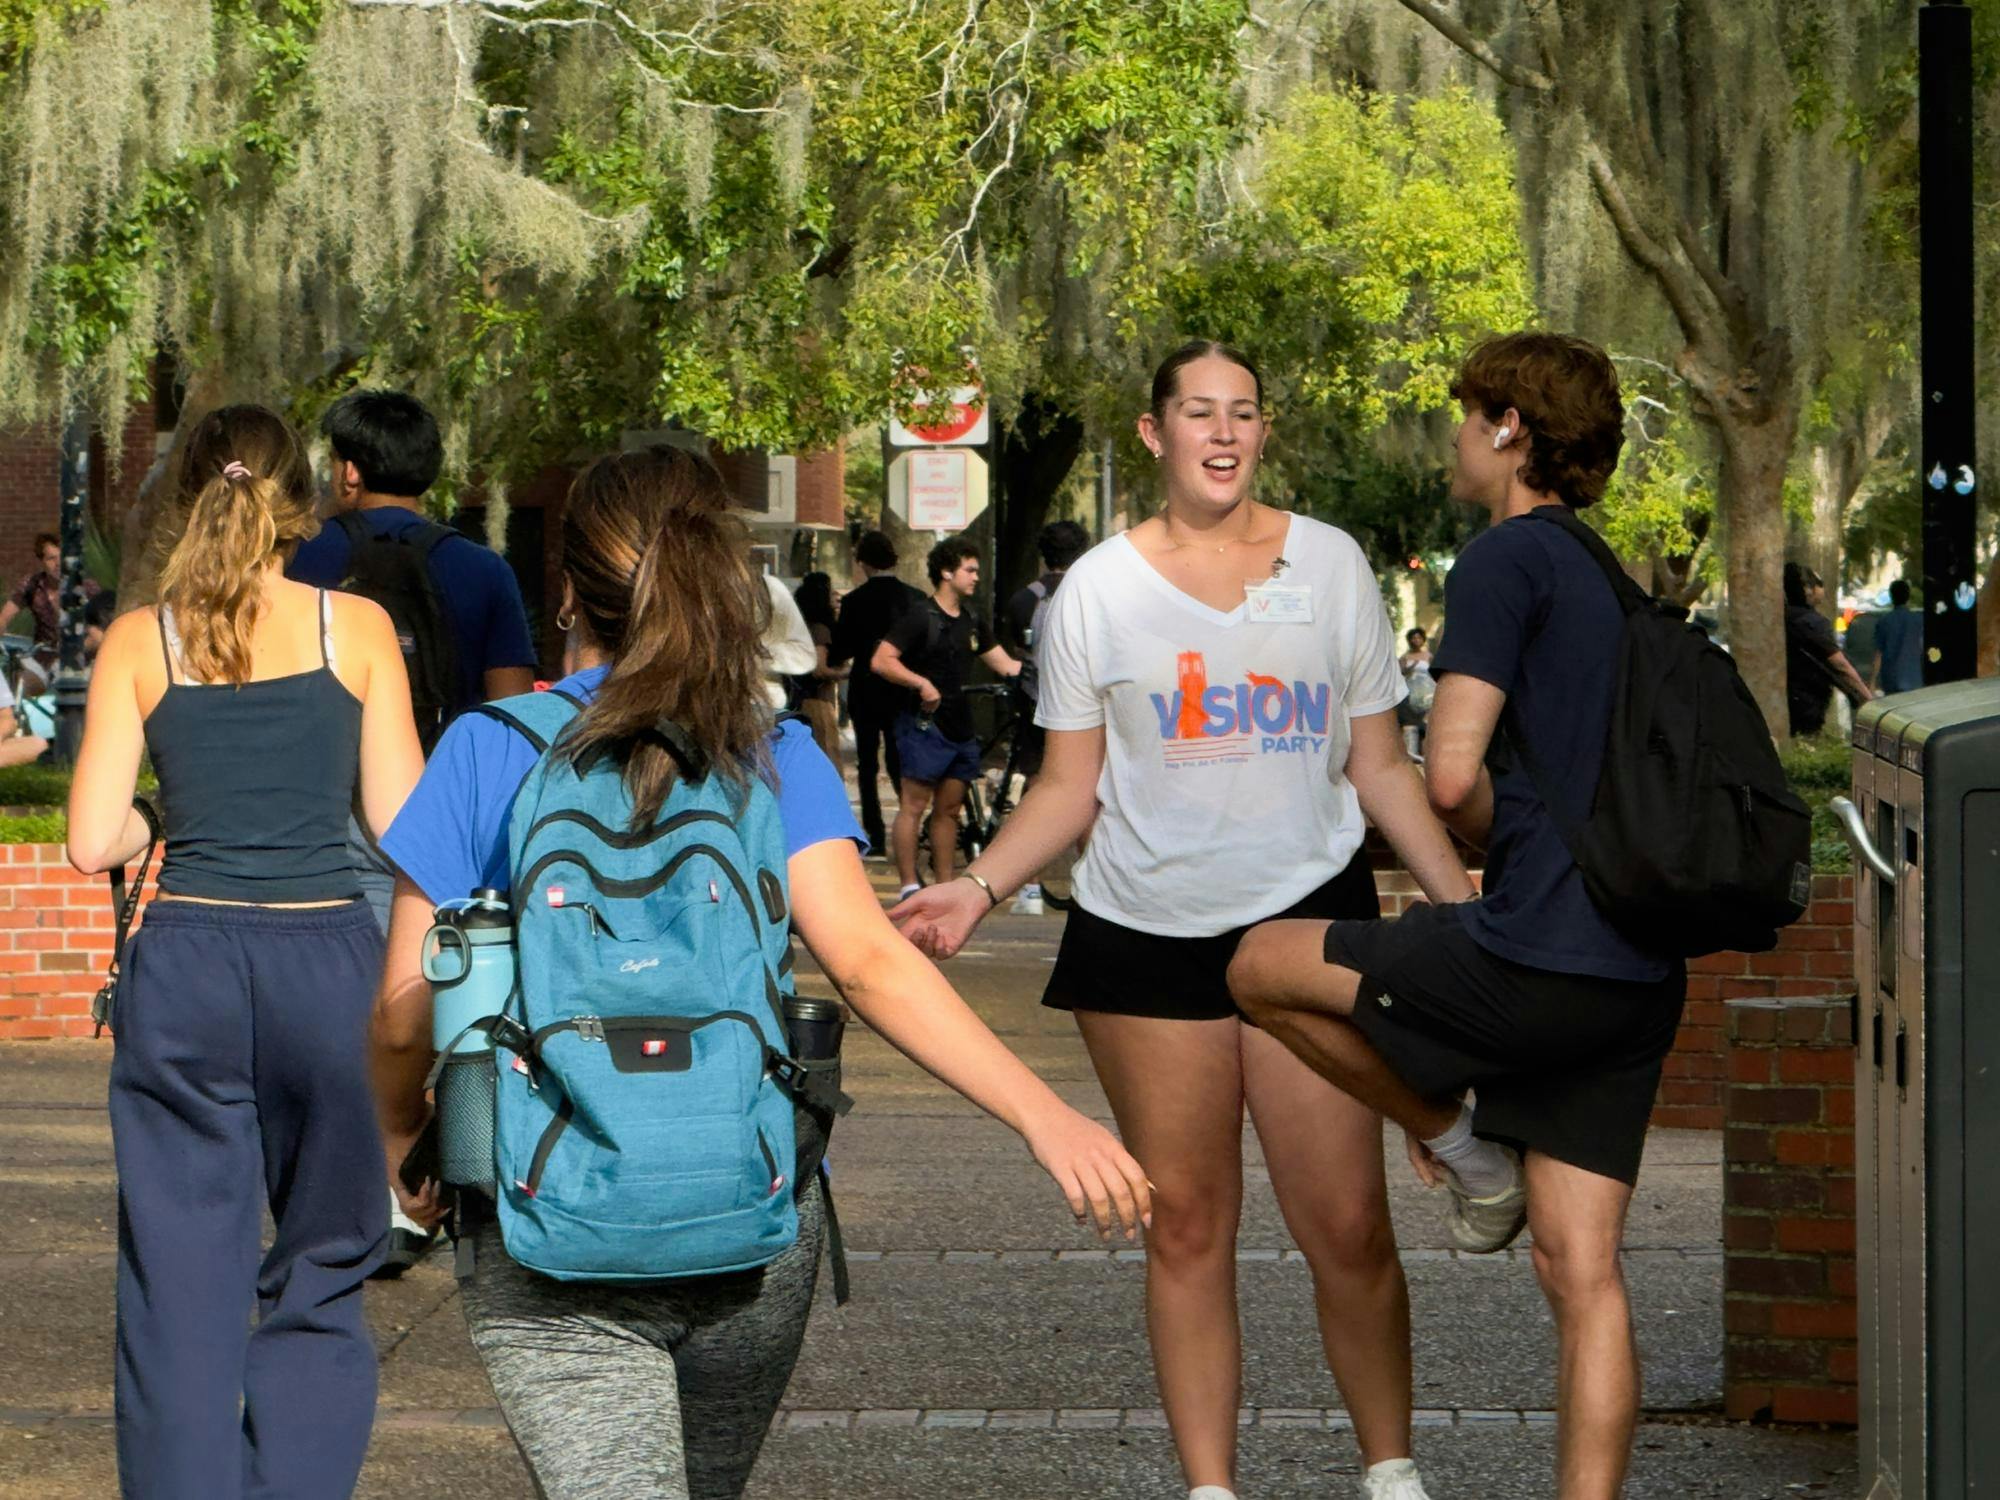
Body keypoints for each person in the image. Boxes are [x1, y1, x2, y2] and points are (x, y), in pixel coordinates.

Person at [367, 445, 1151, 1500]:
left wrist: (391, 1143)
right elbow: (869, 963)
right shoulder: (765, 749)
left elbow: (401, 1004)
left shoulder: (489, 747)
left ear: (568, 593)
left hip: (544, 1206)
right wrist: (1043, 1116)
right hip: (746, 1196)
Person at [890, 342, 1471, 1500]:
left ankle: (1391, 1475)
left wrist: (1467, 918)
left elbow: (1380, 766)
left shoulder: (1334, 565)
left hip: (1308, 930)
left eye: (1242, 414)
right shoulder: (1098, 588)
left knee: (1346, 1224)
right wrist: (977, 885)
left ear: (1261, 433)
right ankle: (1210, 1490)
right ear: (1154, 434)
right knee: (1188, 1228)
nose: (1221, 432)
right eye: (1198, 413)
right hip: (1142, 940)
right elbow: (1067, 785)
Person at [1223, 333, 1693, 1500]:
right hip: (1633, 974)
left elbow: (1444, 778)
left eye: (1462, 413)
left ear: (1508, 431)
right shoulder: (1603, 573)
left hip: (1533, 947)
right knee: (1582, 1271)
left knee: (1255, 965)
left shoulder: (1501, 563)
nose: (1448, 434)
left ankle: (1460, 1146)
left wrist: (1490, 830)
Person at [66, 404, 424, 1499]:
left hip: (186, 967)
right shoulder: (351, 629)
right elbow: (403, 827)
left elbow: (90, 842)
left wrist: (169, 816)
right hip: (325, 957)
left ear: (186, 499)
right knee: (322, 1270)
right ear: (302, 506)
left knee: (177, 1290)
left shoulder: (138, 638)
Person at [290, 388, 539, 1276]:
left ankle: (368, 1192)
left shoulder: (302, 561)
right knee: (452, 992)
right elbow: (512, 708)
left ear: (349, 471)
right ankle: (451, 1179)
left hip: (333, 803)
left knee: (357, 999)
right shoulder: (483, 570)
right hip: (456, 805)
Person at [871, 537, 1021, 900]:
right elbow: (881, 660)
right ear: (946, 572)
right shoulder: (921, 615)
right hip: (924, 726)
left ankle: (945, 886)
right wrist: (920, 683)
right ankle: (908, 884)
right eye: (969, 570)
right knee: (913, 805)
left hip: (960, 728)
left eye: (977, 571)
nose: (975, 578)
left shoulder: (971, 620)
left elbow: (1006, 665)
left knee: (950, 810)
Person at [998, 519, 1091, 913]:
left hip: (1038, 708)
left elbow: (1015, 651)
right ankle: (1090, 884)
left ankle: (1031, 888)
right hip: (1088, 709)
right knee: (1091, 790)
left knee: (1038, 789)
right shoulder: (1093, 593)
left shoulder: (1024, 600)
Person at [828, 530, 925, 856]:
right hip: (903, 688)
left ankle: (876, 836)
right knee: (903, 760)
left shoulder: (855, 601)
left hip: (866, 688)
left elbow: (840, 649)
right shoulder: (914, 598)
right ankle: (910, 828)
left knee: (867, 765)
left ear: (863, 562)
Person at [0, 530, 98, 690]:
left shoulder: (87, 588)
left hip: (79, 662)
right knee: (18, 685)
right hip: (42, 658)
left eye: (63, 557)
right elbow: (4, 617)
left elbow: (98, 636)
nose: (58, 563)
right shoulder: (31, 585)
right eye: (51, 558)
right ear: (42, 561)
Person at [1783, 562, 1873, 736]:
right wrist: (1867, 697)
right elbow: (1840, 664)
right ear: (1807, 589)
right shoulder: (1811, 622)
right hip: (1807, 699)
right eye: (1819, 584)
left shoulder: (1785, 617)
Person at [790, 570, 847, 764]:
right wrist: (845, 673)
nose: (836, 596)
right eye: (831, 592)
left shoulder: (802, 627)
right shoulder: (820, 631)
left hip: (800, 700)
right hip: (818, 702)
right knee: (828, 755)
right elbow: (819, 670)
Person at [1869, 579, 1924, 695]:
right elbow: (1921, 647)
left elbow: (1879, 653)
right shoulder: (1918, 620)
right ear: (1908, 597)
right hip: (1913, 679)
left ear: (1891, 596)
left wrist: (1872, 681)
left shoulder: (1884, 621)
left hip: (1891, 680)